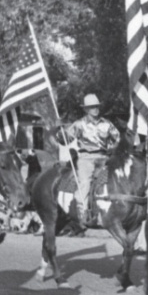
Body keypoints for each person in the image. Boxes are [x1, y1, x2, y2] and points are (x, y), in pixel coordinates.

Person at [57, 94, 120, 227]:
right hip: (86, 158)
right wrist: (60, 131)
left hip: (104, 158)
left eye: (96, 106)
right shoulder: (79, 124)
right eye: (92, 107)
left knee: (117, 179)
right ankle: (83, 212)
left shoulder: (107, 124)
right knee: (85, 183)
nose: (95, 109)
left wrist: (113, 149)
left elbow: (118, 140)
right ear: (86, 109)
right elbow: (65, 140)